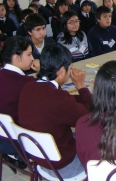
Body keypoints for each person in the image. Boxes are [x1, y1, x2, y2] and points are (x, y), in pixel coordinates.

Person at [18, 44, 91, 179]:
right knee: (99, 137)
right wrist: (81, 86)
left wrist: (77, 98)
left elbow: (63, 103)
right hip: (64, 166)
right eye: (70, 70)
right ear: (61, 71)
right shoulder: (58, 99)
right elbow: (89, 117)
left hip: (39, 158)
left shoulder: (28, 87)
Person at [0, 36, 39, 170]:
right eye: (29, 54)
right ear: (16, 57)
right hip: (22, 141)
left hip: (2, 137)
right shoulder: (27, 83)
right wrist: (41, 72)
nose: (33, 58)